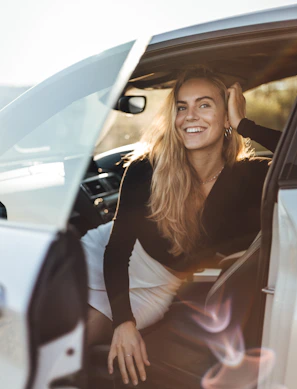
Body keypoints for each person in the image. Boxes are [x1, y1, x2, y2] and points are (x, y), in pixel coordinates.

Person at [82, 67, 281, 386]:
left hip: (160, 284)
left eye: (205, 105)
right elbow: (117, 251)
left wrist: (245, 125)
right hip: (108, 259)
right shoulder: (146, 170)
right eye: (182, 106)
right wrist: (124, 322)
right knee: (51, 320)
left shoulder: (249, 177)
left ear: (226, 114)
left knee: (78, 338)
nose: (191, 116)